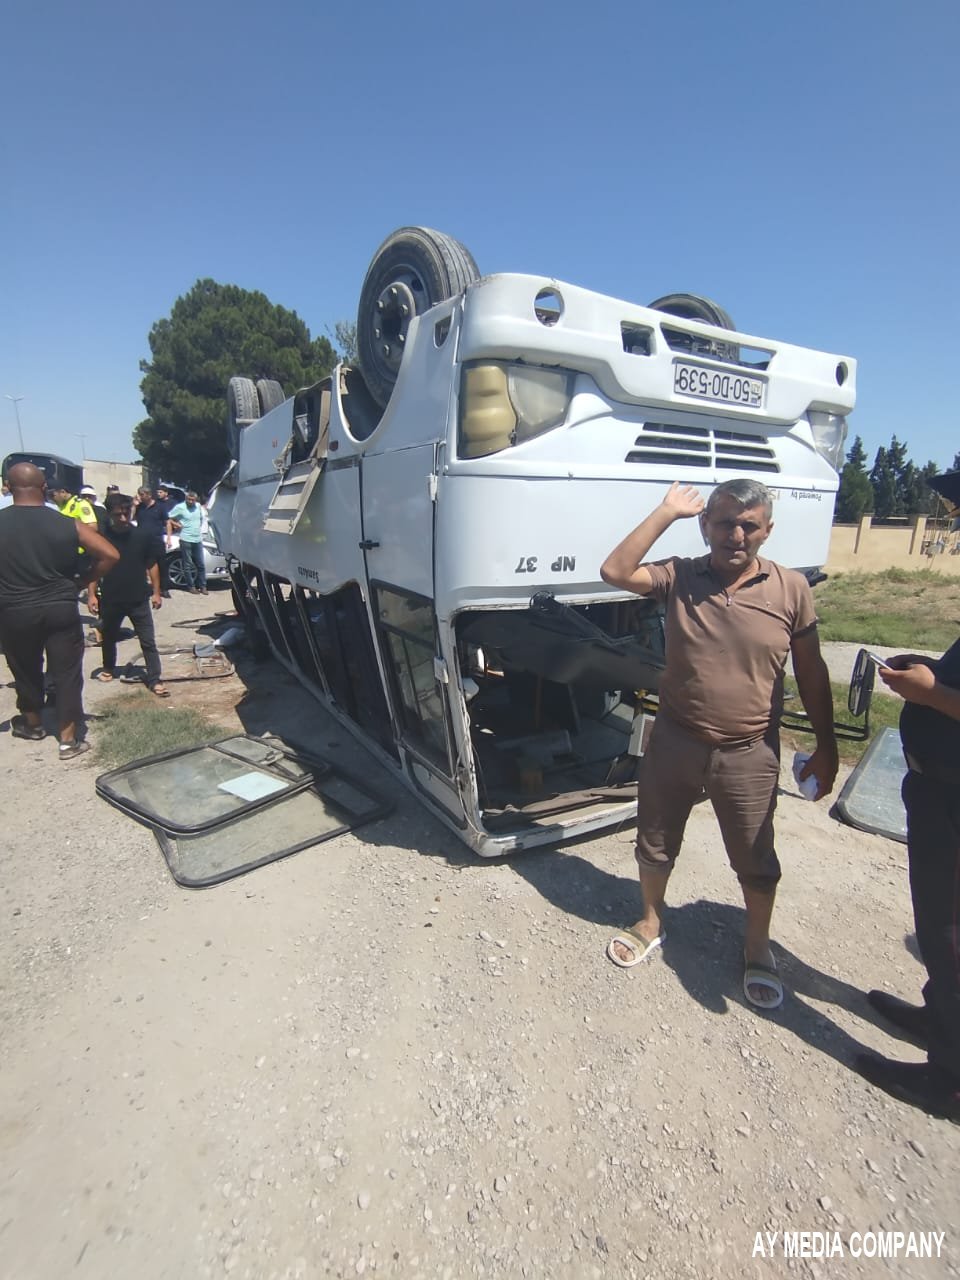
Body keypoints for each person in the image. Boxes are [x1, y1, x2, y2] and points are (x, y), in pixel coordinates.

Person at [599, 478, 838, 1009]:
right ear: (706, 525)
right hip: (676, 740)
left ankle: (757, 946)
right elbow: (615, 571)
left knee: (755, 857)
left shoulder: (791, 588)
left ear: (767, 531)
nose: (736, 534)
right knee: (655, 840)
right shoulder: (682, 575)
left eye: (749, 525)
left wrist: (827, 745)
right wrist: (665, 511)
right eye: (725, 522)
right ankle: (651, 919)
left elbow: (813, 670)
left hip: (749, 752)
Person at [852, 646, 960, 1121]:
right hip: (938, 791)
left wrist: (933, 693)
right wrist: (934, 672)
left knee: (950, 937)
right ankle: (938, 1020)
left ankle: (948, 1081)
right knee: (937, 925)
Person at [0, 463, 119, 758]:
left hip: (15, 609)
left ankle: (33, 723)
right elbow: (110, 554)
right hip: (60, 606)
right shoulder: (66, 523)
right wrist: (83, 580)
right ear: (44, 489)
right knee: (66, 672)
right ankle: (68, 740)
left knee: (25, 669)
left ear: (8, 487)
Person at [89, 493, 169, 697]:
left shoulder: (142, 536)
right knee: (108, 637)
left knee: (148, 641)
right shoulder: (102, 537)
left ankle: (154, 678)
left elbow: (151, 564)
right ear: (109, 514)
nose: (123, 519)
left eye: (126, 513)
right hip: (111, 597)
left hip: (138, 598)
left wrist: (156, 592)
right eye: (118, 515)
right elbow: (95, 567)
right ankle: (108, 668)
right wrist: (91, 595)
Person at [132, 486, 173, 596]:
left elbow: (167, 522)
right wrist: (134, 506)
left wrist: (168, 537)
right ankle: (144, 586)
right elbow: (131, 518)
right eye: (139, 494)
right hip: (142, 541)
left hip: (156, 540)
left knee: (161, 565)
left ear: (149, 495)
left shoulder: (160, 507)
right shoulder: (139, 507)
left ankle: (163, 588)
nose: (140, 497)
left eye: (142, 495)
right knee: (142, 565)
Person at [166, 490, 207, 594]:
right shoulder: (180, 507)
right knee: (187, 564)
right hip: (186, 538)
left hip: (197, 539)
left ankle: (202, 586)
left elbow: (201, 519)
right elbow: (168, 517)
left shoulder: (198, 506)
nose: (191, 501)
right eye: (189, 499)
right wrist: (177, 524)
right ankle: (191, 586)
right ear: (186, 498)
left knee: (200, 564)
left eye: (193, 500)